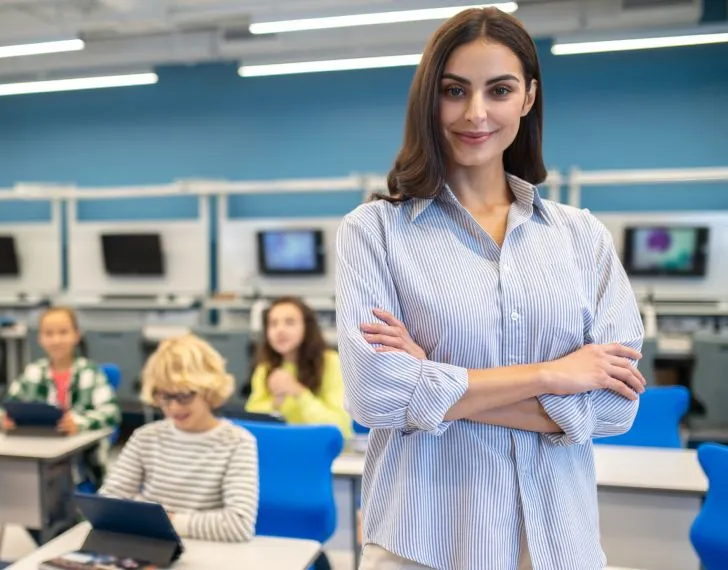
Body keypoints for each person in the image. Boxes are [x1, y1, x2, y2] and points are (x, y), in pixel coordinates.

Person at [335, 7, 646, 570]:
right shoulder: (374, 232)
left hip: (557, 541)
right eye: (454, 90)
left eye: (498, 90)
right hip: (424, 540)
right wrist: (553, 374)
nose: (475, 113)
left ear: (527, 97)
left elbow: (614, 406)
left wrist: (429, 385)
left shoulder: (582, 238)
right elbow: (376, 396)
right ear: (429, 98)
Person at [100, 334, 258, 543]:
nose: (173, 407)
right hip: (153, 548)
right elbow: (108, 503)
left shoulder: (237, 442)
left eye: (184, 396)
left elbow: (239, 525)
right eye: (164, 397)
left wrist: (162, 520)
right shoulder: (146, 438)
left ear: (208, 390)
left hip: (210, 554)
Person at [0, 306, 121, 486]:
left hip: (80, 463)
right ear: (40, 338)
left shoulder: (90, 373)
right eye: (49, 333)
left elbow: (111, 412)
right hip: (35, 454)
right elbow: (2, 409)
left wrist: (79, 423)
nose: (56, 340)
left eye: (63, 332)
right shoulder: (32, 373)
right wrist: (3, 420)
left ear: (77, 335)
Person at [245, 296, 352, 438]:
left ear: (307, 327)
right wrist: (275, 403)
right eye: (273, 323)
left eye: (289, 322)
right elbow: (251, 421)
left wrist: (299, 392)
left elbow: (340, 426)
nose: (280, 330)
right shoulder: (265, 368)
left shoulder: (331, 363)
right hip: (282, 448)